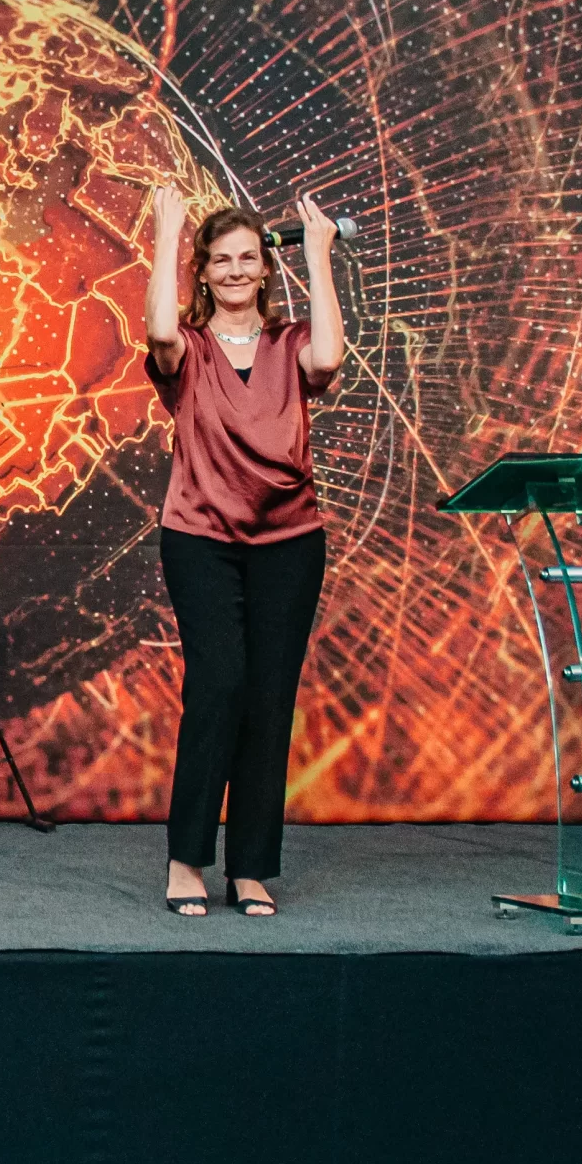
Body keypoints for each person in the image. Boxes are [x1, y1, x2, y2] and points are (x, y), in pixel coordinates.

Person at [144, 187, 344, 917]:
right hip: (200, 539)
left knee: (268, 700)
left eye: (247, 259)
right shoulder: (189, 350)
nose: (234, 270)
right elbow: (159, 329)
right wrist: (167, 235)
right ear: (203, 273)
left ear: (265, 270)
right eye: (221, 260)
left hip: (290, 545)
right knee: (219, 686)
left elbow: (330, 355)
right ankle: (187, 859)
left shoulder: (291, 345)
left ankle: (251, 868)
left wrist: (317, 255)